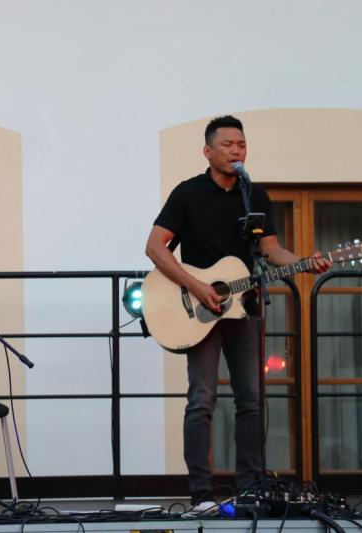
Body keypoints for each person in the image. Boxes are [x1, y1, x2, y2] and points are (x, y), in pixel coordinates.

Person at [144, 115, 330, 506]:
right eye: (227, 144)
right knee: (202, 399)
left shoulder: (255, 196)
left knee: (252, 400)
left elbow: (271, 251)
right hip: (199, 311)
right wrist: (197, 287)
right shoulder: (188, 193)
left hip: (245, 308)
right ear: (207, 151)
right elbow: (155, 247)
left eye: (241, 144)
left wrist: (305, 262)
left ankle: (250, 489)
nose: (236, 151)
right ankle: (201, 493)